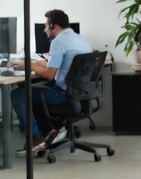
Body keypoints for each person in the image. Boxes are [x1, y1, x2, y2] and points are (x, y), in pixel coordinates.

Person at [9, 9, 92, 154]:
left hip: (63, 94)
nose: (45, 28)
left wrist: (30, 66)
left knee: (19, 95)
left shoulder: (58, 41)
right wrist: (33, 63)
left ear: (55, 26)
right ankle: (50, 133)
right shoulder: (80, 39)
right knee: (34, 92)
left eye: (47, 25)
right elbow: (53, 65)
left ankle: (37, 138)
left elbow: (49, 74)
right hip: (80, 92)